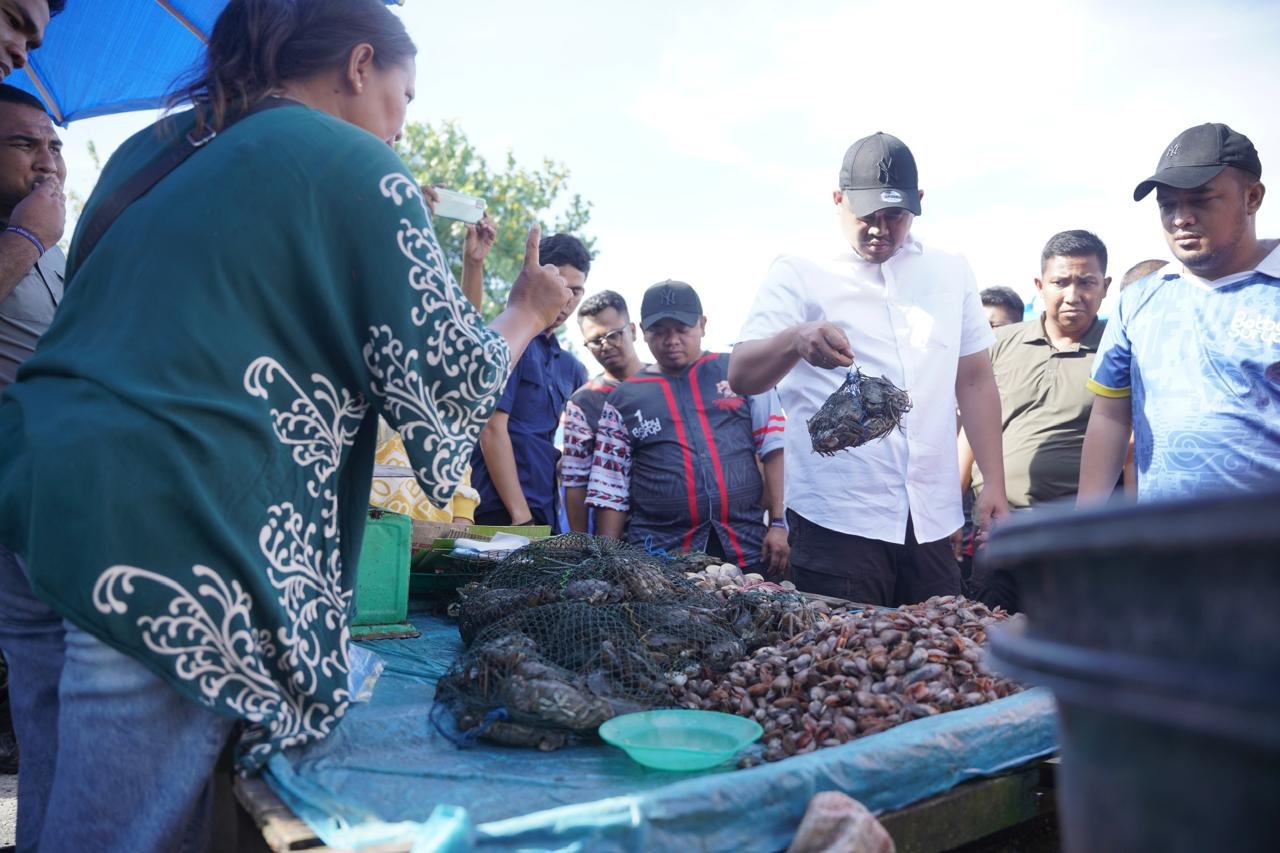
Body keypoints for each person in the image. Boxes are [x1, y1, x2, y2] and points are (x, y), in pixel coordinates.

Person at [0, 1, 572, 849]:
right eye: (403, 97)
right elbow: (449, 387)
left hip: (38, 493)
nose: (401, 126)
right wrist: (523, 313)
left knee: (52, 788)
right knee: (115, 832)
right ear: (357, 64)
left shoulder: (148, 152)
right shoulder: (354, 163)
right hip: (171, 532)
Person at [729, 131, 1009, 606]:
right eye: (866, 216)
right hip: (837, 521)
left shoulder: (950, 269)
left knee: (935, 658)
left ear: (918, 203)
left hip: (931, 518)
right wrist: (795, 340)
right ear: (838, 201)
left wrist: (995, 483)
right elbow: (742, 375)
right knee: (842, 665)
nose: (880, 229)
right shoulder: (798, 271)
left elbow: (975, 380)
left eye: (895, 215)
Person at [1080, 122, 1280, 504]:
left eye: (1201, 200)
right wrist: (1081, 529)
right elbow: (1110, 418)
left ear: (1252, 198)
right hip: (1166, 551)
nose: (1180, 218)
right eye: (1168, 204)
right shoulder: (1138, 300)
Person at [587, 280, 789, 574]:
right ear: (643, 331)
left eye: (682, 329)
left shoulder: (739, 372)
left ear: (702, 325)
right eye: (659, 331)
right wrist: (605, 561)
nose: (671, 340)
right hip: (659, 556)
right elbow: (610, 487)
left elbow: (774, 446)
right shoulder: (622, 400)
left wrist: (780, 523)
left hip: (748, 544)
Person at [963, 230, 1112, 611]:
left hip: (1071, 537)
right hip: (995, 529)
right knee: (986, 646)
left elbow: (1126, 444)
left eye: (1086, 282)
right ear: (1039, 285)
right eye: (1060, 282)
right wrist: (953, 508)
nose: (1073, 295)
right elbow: (971, 429)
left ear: (1105, 286)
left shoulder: (1118, 347)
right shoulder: (999, 343)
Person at [470, 233, 589, 529]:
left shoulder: (572, 368)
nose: (566, 299)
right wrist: (520, 514)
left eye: (576, 290)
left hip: (545, 509)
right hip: (499, 510)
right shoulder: (509, 341)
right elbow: (491, 429)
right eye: (561, 286)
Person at [562, 290, 647, 533]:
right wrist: (579, 543)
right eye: (595, 340)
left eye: (613, 335)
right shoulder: (582, 402)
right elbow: (575, 480)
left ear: (632, 330)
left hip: (670, 527)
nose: (605, 345)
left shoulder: (664, 383)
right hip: (615, 536)